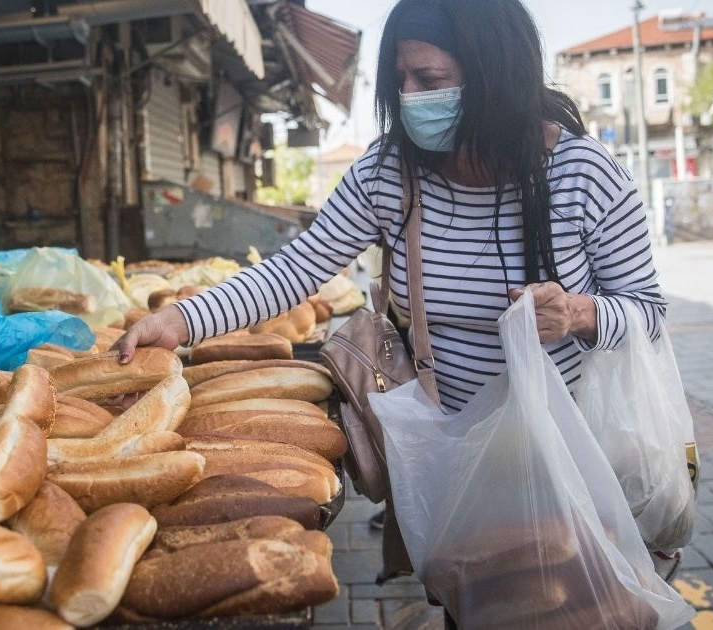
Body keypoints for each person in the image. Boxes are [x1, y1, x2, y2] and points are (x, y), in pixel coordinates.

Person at [115, 0, 676, 616]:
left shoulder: (583, 175)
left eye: (429, 81)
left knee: (565, 608)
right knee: (473, 605)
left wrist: (580, 314)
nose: (411, 97)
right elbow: (297, 269)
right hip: (449, 459)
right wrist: (181, 320)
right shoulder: (390, 172)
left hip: (562, 457)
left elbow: (647, 311)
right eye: (400, 81)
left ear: (493, 75)